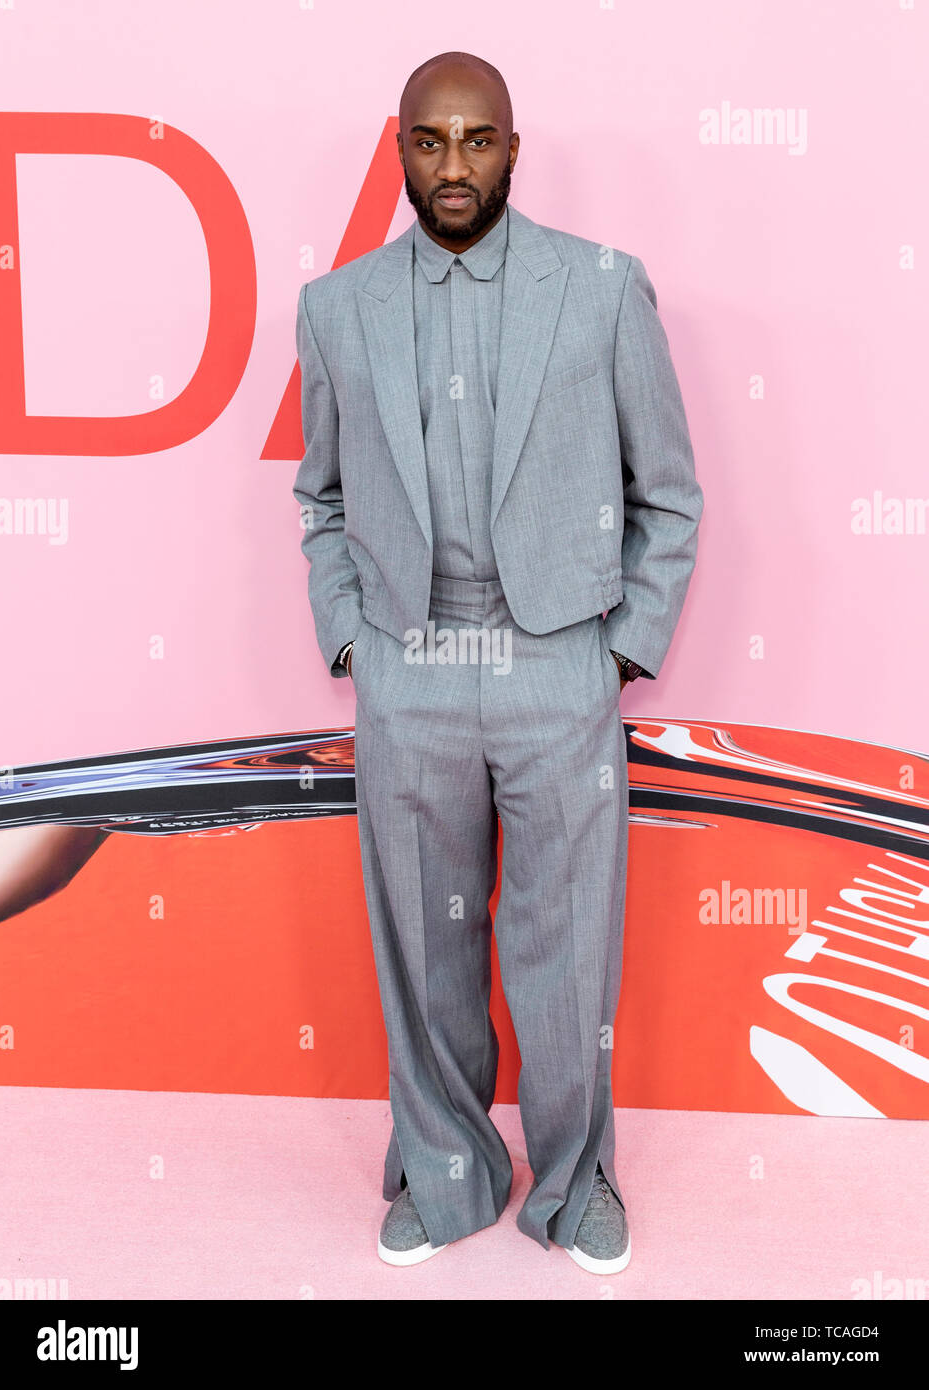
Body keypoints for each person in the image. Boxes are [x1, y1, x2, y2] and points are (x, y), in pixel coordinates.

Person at [292, 50, 703, 1274]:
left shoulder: (600, 288)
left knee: (566, 942)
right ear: (402, 149)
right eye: (431, 141)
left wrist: (618, 652)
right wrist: (354, 637)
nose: (454, 164)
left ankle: (580, 1186)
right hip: (410, 663)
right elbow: (318, 498)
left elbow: (669, 497)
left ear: (513, 150)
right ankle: (443, 1168)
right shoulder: (338, 307)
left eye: (478, 140)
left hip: (557, 662)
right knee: (424, 938)